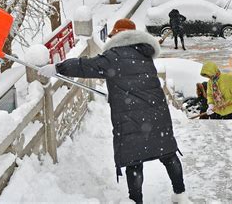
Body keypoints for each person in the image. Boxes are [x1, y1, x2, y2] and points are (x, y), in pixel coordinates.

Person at [38, 19, 190, 204]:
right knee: (168, 153)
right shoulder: (144, 54)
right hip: (157, 114)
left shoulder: (113, 56)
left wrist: (57, 67)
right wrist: (116, 94)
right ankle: (180, 195)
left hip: (130, 118)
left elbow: (84, 66)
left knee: (134, 161)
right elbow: (137, 83)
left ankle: (136, 201)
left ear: (118, 36)